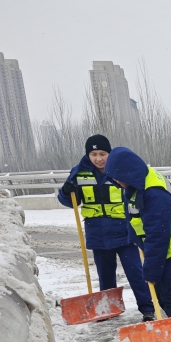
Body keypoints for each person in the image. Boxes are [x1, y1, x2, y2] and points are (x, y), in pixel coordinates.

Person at [57, 135, 154, 320]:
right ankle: (109, 308)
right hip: (98, 234)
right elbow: (69, 201)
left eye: (102, 153)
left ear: (109, 153)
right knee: (105, 277)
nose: (98, 158)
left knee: (136, 274)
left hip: (125, 233)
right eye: (94, 154)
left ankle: (148, 309)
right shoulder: (79, 172)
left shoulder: (120, 170)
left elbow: (137, 194)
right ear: (88, 155)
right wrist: (66, 190)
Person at [103, 147, 171, 318]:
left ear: (129, 172)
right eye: (114, 178)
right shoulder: (135, 184)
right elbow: (131, 213)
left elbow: (158, 237)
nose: (117, 181)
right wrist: (134, 238)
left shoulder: (154, 194)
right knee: (161, 296)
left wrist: (151, 272)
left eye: (119, 177)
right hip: (163, 253)